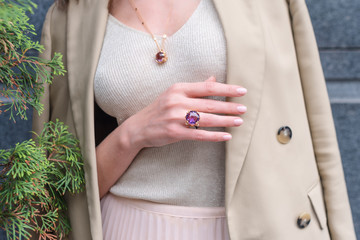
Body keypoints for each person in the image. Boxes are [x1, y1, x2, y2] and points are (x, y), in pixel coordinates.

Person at [32, 0, 356, 239]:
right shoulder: (71, 15)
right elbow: (57, 182)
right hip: (129, 227)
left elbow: (316, 129)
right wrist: (133, 133)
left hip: (260, 224)